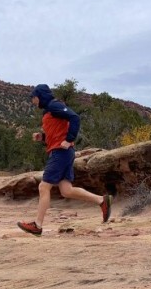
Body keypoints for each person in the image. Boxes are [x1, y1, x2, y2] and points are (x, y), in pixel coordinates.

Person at [17, 84, 113, 236]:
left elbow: (75, 117)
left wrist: (69, 140)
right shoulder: (50, 109)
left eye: (34, 98)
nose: (33, 102)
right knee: (66, 190)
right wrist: (42, 137)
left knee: (43, 187)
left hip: (60, 153)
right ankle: (102, 201)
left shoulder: (54, 105)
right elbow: (57, 133)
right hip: (64, 152)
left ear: (40, 96)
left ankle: (37, 225)